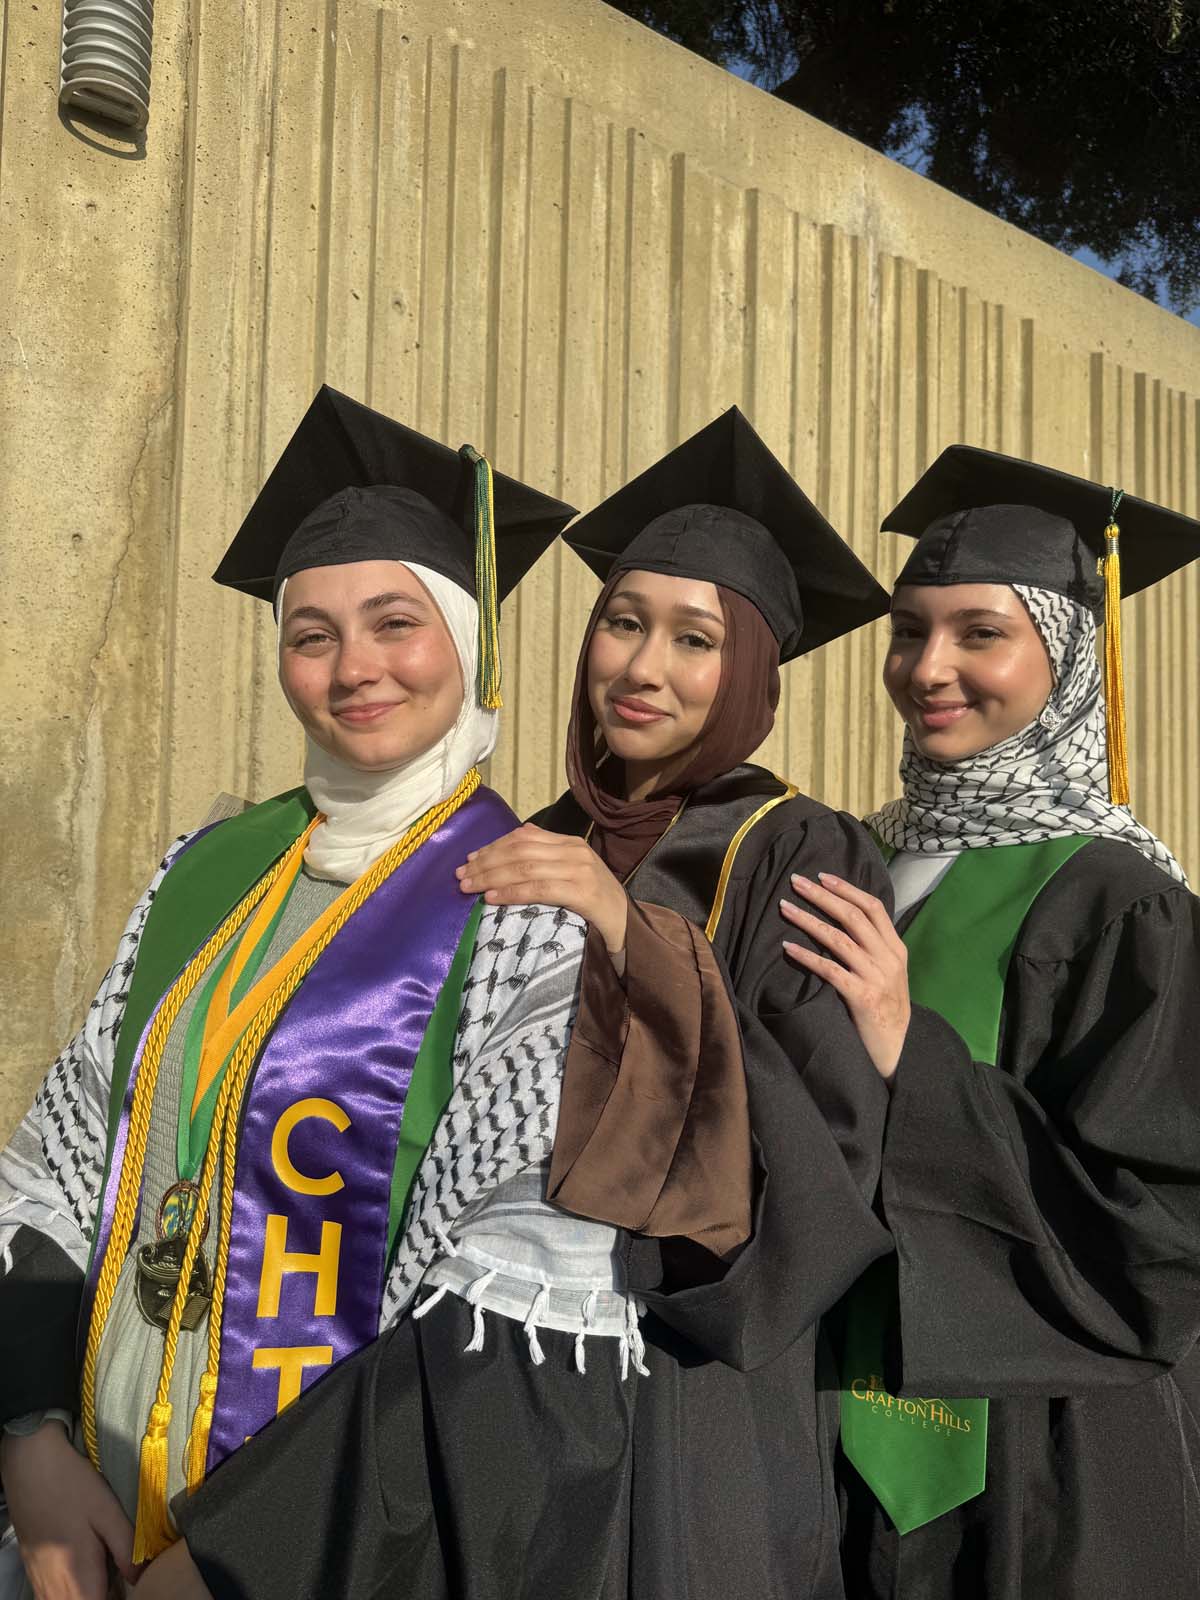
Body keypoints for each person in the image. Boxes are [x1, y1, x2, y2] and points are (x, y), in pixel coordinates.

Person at [170, 407, 903, 1600]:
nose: (643, 667)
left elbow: (822, 1157)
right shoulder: (523, 840)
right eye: (622, 621)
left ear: (754, 672)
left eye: (695, 639)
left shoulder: (802, 850)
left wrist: (633, 937)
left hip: (694, 1394)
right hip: (467, 1372)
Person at [0, 384, 583, 1599]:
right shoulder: (201, 872)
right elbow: (57, 1159)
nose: (352, 667)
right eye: (309, 633)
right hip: (88, 1516)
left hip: (324, 1553)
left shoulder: (526, 915)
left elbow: (496, 1305)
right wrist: (31, 1441)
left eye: (394, 623)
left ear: (468, 646)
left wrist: (237, 1560)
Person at [778, 446, 1200, 1599]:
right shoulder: (852, 854)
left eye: (980, 633)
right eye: (909, 631)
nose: (930, 668)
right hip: (821, 1413)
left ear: (1064, 662)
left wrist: (905, 1048)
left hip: (1042, 1442)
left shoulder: (1123, 898)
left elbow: (1153, 1225)